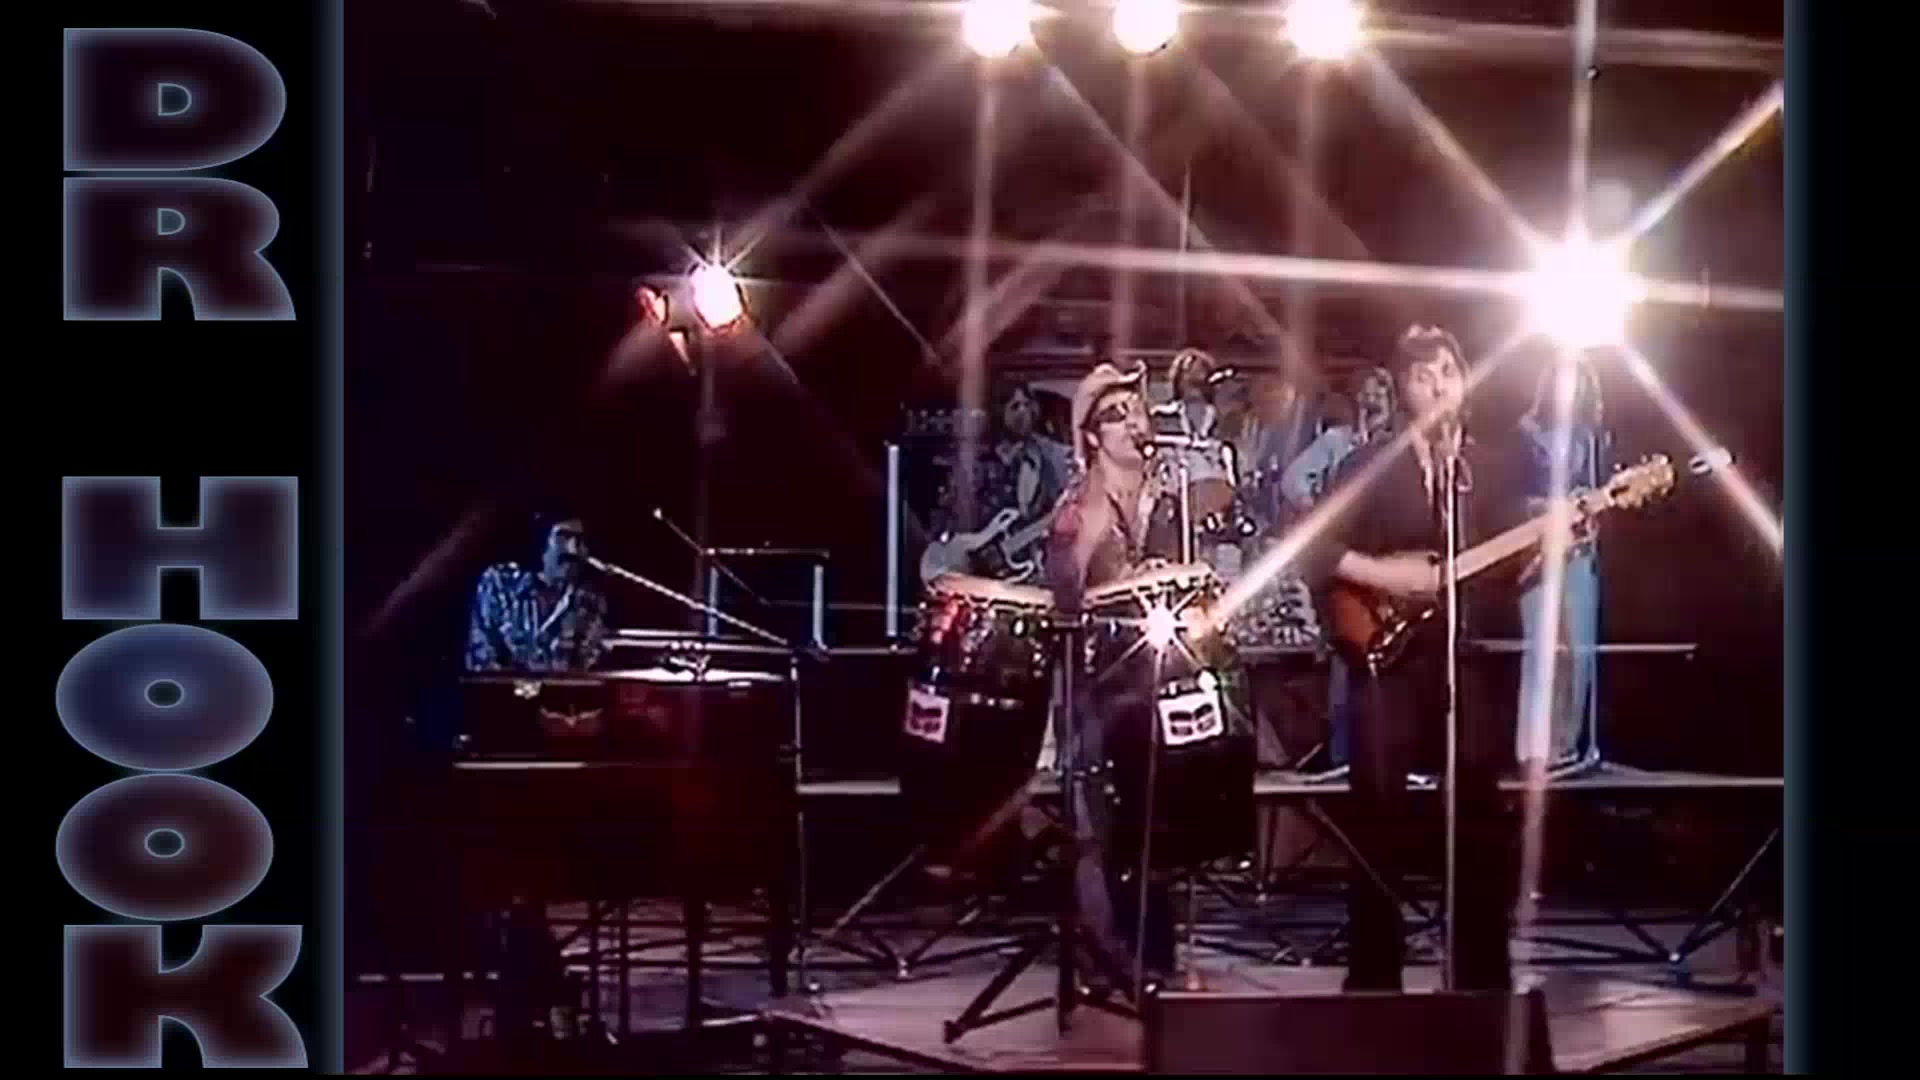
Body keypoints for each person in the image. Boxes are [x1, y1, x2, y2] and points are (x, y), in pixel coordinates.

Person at [1297, 325, 1558, 992]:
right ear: (1402, 390)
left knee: (1477, 811)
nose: (1439, 383)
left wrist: (1547, 551)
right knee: (1377, 812)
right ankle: (1374, 977)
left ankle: (1480, 976)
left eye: (1448, 369)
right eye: (1422, 375)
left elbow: (1502, 572)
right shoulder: (1369, 466)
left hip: (1464, 658)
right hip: (1387, 659)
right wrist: (1392, 578)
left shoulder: (1488, 470)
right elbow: (1314, 550)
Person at [1046, 362, 1178, 990]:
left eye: (1136, 411)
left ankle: (1156, 956)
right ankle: (1105, 958)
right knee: (1099, 823)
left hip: (1154, 679)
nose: (1132, 423)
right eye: (1115, 415)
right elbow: (1063, 593)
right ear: (1093, 436)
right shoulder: (1075, 508)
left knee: (1157, 816)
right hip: (1094, 683)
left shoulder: (1167, 497)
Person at [1279, 367, 1396, 775]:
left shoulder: (1399, 444)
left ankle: (1379, 750)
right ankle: (1342, 751)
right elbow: (1292, 480)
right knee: (1347, 651)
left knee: (1388, 655)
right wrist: (1320, 511)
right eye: (1367, 391)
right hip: (1344, 559)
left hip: (1387, 563)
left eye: (1381, 391)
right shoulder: (1337, 441)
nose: (1373, 398)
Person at [1516, 359, 1609, 768]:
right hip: (1536, 550)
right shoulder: (1526, 434)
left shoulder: (1593, 439)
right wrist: (1548, 508)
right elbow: (1511, 496)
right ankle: (1533, 751)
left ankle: (1567, 746)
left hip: (1580, 553)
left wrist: (1596, 511)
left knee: (1579, 650)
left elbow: (1600, 493)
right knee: (1543, 648)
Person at [463, 513, 610, 672]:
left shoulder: (589, 601)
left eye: (580, 540)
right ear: (543, 540)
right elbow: (482, 656)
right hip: (502, 687)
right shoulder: (500, 584)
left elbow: (587, 667)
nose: (573, 549)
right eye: (563, 537)